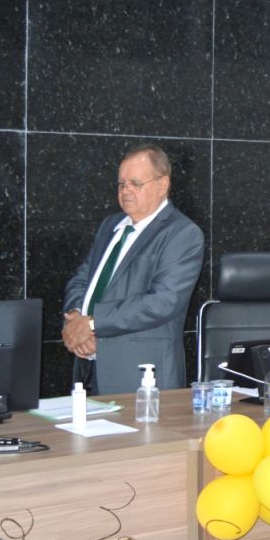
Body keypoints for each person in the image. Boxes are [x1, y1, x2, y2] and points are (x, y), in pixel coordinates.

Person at [62, 144, 204, 393]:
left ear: (162, 184)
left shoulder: (182, 233)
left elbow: (162, 301)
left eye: (135, 183)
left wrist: (93, 323)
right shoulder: (110, 226)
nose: (126, 190)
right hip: (92, 369)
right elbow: (82, 279)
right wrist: (75, 318)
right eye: (121, 184)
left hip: (142, 379)